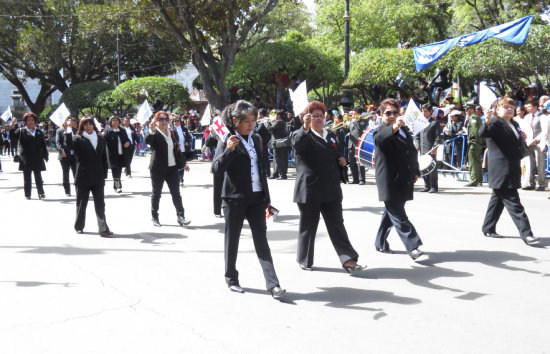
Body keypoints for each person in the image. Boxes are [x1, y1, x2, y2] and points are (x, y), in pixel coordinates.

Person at [211, 100, 285, 298]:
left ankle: (273, 284)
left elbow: (261, 170)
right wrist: (229, 150)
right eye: (246, 121)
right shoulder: (227, 139)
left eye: (253, 120)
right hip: (234, 198)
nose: (251, 124)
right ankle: (231, 278)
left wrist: (266, 198)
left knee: (261, 241)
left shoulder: (257, 139)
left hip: (256, 197)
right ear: (235, 121)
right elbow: (216, 169)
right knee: (232, 240)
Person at [291, 100, 364, 274]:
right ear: (305, 117)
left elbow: (336, 152)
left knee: (337, 225)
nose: (318, 119)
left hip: (331, 189)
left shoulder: (329, 135)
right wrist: (305, 128)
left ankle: (348, 259)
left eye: (321, 116)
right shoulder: (301, 134)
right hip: (310, 190)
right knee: (309, 226)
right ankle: (304, 259)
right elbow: (297, 143)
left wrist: (342, 160)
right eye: (314, 115)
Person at [479, 97, 539, 245]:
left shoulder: (514, 123)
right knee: (514, 203)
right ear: (497, 110)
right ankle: (527, 234)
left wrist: (521, 138)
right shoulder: (494, 122)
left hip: (512, 165)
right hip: (501, 168)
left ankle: (488, 228)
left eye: (511, 107)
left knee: (497, 200)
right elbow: (483, 133)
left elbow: (514, 142)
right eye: (505, 107)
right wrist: (486, 119)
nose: (509, 109)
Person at [372, 98, 425, 260]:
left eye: (395, 112)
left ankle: (380, 242)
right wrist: (394, 127)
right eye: (388, 113)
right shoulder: (380, 130)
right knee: (399, 215)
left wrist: (416, 171)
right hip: (389, 181)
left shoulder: (405, 131)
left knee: (391, 213)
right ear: (382, 115)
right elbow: (381, 140)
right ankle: (413, 246)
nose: (392, 115)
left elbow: (412, 153)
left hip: (404, 178)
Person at [64, 116, 113, 237]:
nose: (88, 126)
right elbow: (68, 145)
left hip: (98, 176)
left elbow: (103, 158)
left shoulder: (100, 139)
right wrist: (69, 129)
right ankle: (79, 226)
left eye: (90, 124)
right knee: (82, 203)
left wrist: (104, 174)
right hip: (83, 176)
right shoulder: (78, 138)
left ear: (94, 125)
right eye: (85, 124)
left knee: (100, 204)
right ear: (82, 126)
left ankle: (103, 229)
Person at [146, 111, 191, 227]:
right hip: (157, 168)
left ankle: (181, 216)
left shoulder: (171, 132)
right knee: (156, 194)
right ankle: (154, 216)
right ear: (156, 121)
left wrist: (184, 163)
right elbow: (148, 141)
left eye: (166, 119)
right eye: (161, 119)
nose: (164, 121)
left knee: (176, 193)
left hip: (172, 168)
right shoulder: (154, 132)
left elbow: (176, 149)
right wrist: (151, 130)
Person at [12, 113, 49, 200]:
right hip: (26, 157)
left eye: (32, 120)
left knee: (38, 176)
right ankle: (27, 194)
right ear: (25, 122)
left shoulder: (39, 132)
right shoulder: (21, 131)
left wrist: (45, 155)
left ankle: (41, 192)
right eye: (28, 120)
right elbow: (12, 136)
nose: (30, 122)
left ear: (35, 122)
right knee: (27, 177)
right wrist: (12, 127)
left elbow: (43, 145)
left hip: (37, 157)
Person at [415, 104, 440, 193]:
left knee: (432, 169)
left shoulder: (434, 122)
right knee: (423, 167)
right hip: (422, 148)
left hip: (431, 149)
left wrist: (434, 147)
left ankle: (434, 186)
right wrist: (417, 145)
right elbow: (417, 136)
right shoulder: (421, 122)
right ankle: (427, 185)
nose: (423, 113)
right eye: (422, 111)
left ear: (430, 112)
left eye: (425, 111)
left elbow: (437, 137)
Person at [103, 116, 130, 193]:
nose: (115, 122)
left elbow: (127, 140)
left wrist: (127, 143)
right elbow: (103, 141)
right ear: (110, 122)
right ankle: (118, 186)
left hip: (121, 154)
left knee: (119, 170)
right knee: (115, 170)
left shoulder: (122, 130)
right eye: (113, 120)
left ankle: (115, 186)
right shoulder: (108, 131)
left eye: (117, 120)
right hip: (112, 155)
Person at [523, 101, 546, 191]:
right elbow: (524, 129)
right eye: (527, 107)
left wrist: (536, 139)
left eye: (529, 106)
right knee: (530, 164)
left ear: (535, 107)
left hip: (538, 143)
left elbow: (544, 131)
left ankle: (541, 184)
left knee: (540, 163)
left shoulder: (541, 116)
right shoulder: (527, 117)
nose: (528, 108)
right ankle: (531, 183)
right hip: (529, 143)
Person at [56, 117, 77, 196]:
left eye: (70, 120)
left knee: (76, 173)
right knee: (66, 173)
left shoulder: (76, 130)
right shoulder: (60, 131)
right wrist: (62, 151)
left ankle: (78, 189)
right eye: (67, 120)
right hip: (64, 155)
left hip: (74, 156)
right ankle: (67, 191)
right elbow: (58, 143)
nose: (69, 121)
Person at [464, 104, 483, 186]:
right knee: (477, 161)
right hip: (476, 142)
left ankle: (474, 180)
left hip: (474, 143)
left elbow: (476, 131)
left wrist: (478, 141)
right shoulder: (476, 117)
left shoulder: (473, 118)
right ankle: (478, 180)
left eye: (468, 109)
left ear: (472, 109)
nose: (466, 111)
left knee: (473, 162)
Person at [347, 112, 369, 184]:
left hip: (358, 144)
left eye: (354, 114)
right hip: (351, 144)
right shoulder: (350, 123)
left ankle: (361, 179)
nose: (352, 115)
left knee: (359, 162)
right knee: (352, 163)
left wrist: (355, 121)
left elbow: (360, 128)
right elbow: (347, 131)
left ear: (358, 114)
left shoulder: (363, 121)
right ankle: (355, 179)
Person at [171, 115, 192, 186]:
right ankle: (175, 179)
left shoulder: (184, 129)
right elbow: (171, 140)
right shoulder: (172, 130)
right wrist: (175, 145)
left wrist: (187, 142)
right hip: (176, 150)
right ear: (173, 122)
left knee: (182, 164)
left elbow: (189, 138)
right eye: (175, 121)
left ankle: (181, 179)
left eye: (178, 121)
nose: (177, 122)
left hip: (184, 149)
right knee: (175, 165)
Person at [268, 109, 288, 179]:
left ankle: (282, 174)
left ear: (278, 115)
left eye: (275, 114)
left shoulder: (279, 122)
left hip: (278, 142)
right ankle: (276, 173)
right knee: (276, 158)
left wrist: (267, 123)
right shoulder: (281, 121)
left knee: (279, 159)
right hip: (278, 142)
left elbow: (270, 128)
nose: (274, 116)